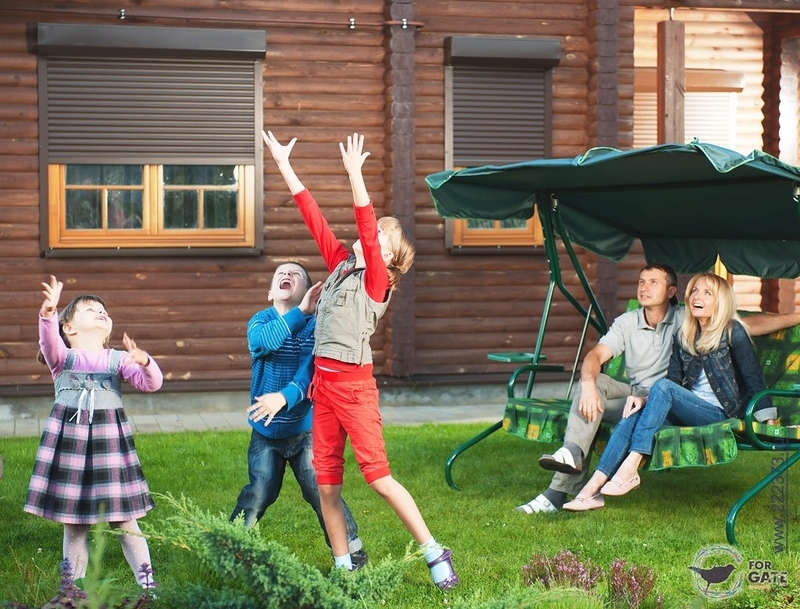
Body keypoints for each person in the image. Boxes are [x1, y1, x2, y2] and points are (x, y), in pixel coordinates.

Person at [263, 130, 459, 590]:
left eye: (380, 237)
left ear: (387, 257)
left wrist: (355, 173)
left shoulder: (377, 282)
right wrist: (284, 165)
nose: (370, 235)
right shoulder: (340, 266)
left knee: (378, 476)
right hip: (324, 390)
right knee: (327, 483)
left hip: (354, 389)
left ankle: (434, 550)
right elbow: (313, 217)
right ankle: (343, 568)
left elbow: (367, 226)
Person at [515, 264, 800, 515]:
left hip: (718, 412)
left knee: (661, 389)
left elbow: (752, 374)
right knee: (630, 411)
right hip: (671, 403)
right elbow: (669, 381)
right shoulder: (682, 332)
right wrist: (633, 397)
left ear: (672, 291)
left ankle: (629, 469)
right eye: (695, 291)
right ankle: (590, 488)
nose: (697, 297)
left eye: (707, 293)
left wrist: (766, 418)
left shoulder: (723, 328)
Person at [24, 275, 162, 592]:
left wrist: (144, 361)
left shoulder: (118, 360)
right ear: (69, 328)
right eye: (90, 310)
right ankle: (72, 592)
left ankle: (148, 588)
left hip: (109, 448)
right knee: (75, 525)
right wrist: (48, 312)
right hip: (71, 450)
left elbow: (152, 384)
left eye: (103, 311)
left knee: (126, 521)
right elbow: (48, 342)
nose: (101, 312)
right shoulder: (62, 359)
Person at [229, 261, 368, 569]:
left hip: (305, 431)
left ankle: (351, 549)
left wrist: (284, 397)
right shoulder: (260, 321)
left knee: (320, 490)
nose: (287, 275)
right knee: (259, 492)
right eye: (280, 273)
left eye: (295, 274)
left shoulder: (314, 327)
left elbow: (309, 373)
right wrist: (300, 312)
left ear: (308, 291)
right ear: (270, 292)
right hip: (265, 433)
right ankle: (230, 546)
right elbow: (264, 343)